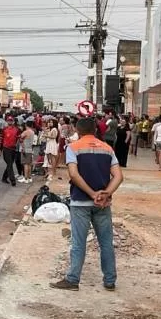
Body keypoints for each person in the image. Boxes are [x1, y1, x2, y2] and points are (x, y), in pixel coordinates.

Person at [51, 117, 123, 292]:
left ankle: (73, 279)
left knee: (78, 242)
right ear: (95, 130)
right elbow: (119, 176)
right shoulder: (107, 149)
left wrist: (91, 193)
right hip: (103, 205)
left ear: (78, 130)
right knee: (106, 242)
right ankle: (110, 280)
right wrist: (106, 193)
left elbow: (74, 175)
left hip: (80, 202)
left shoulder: (73, 148)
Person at [0, 116, 18, 187]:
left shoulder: (16, 129)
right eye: (8, 121)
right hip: (6, 149)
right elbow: (0, 140)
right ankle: (12, 180)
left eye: (11, 120)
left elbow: (19, 138)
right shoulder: (4, 129)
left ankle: (4, 178)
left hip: (13, 149)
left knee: (10, 164)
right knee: (10, 164)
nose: (10, 122)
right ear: (7, 121)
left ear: (13, 121)